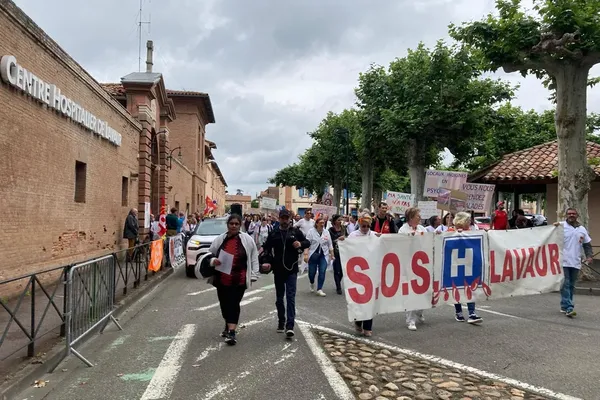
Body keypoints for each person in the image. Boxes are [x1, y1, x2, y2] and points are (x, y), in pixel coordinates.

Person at [201, 214, 259, 345]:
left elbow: (254, 257)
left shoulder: (247, 240)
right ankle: (228, 325)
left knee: (234, 304)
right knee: (224, 305)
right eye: (231, 223)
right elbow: (209, 254)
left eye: (236, 224)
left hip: (240, 279)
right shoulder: (220, 239)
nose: (234, 226)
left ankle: (232, 333)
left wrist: (254, 274)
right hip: (222, 279)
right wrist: (212, 261)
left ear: (240, 225)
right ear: (228, 225)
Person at [260, 209, 310, 337]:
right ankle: (281, 321)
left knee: (290, 297)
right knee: (279, 298)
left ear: (290, 219)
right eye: (282, 218)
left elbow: (307, 242)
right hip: (278, 269)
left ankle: (290, 325)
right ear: (279, 218)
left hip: (292, 269)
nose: (284, 220)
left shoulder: (296, 232)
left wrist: (300, 243)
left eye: (286, 218)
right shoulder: (274, 233)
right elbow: (266, 248)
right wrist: (264, 260)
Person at [444, 212, 483, 324]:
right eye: (468, 220)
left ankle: (472, 313)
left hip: (469, 263)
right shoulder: (450, 231)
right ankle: (459, 312)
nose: (470, 222)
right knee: (456, 287)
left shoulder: (471, 232)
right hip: (454, 264)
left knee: (470, 287)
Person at [555, 208, 593, 317]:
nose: (571, 215)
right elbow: (548, 234)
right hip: (562, 261)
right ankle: (569, 307)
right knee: (565, 284)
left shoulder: (582, 229)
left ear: (577, 215)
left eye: (573, 213)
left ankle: (564, 305)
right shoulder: (560, 226)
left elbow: (587, 245)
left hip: (576, 261)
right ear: (566, 215)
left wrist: (589, 256)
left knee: (571, 285)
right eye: (569, 213)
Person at [348, 212, 379, 336]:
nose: (365, 229)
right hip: (357, 272)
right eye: (363, 226)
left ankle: (368, 326)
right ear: (360, 225)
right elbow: (348, 249)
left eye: (367, 226)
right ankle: (358, 320)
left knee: (370, 299)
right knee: (359, 298)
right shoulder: (353, 235)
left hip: (371, 272)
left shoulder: (375, 236)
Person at [399, 208, 427, 331]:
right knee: (411, 292)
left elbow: (429, 241)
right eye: (417, 216)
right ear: (410, 217)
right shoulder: (403, 229)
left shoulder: (422, 229)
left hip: (422, 264)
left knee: (424, 291)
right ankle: (410, 320)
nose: (419, 218)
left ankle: (419, 312)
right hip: (408, 264)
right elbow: (400, 245)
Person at [306, 217, 334, 297]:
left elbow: (330, 244)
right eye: (320, 223)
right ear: (316, 224)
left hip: (323, 255)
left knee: (322, 271)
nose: (322, 224)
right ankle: (312, 282)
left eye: (323, 223)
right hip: (313, 255)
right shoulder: (311, 232)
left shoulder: (326, 232)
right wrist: (306, 254)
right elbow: (307, 244)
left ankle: (319, 289)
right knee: (312, 273)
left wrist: (332, 254)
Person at [328, 214, 346, 295]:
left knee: (342, 270)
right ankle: (338, 287)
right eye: (338, 220)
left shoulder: (344, 228)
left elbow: (348, 237)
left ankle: (339, 280)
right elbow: (329, 241)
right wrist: (338, 239)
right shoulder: (330, 230)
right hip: (335, 252)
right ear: (335, 221)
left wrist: (345, 238)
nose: (340, 221)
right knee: (336, 269)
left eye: (341, 220)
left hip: (344, 251)